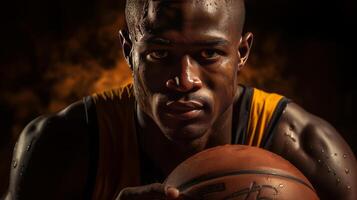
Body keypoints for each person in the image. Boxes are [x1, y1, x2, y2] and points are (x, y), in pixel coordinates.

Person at [5, 0, 356, 199]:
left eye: (208, 53)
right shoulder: (62, 147)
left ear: (242, 52)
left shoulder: (305, 148)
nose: (184, 80)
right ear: (128, 51)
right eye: (159, 54)